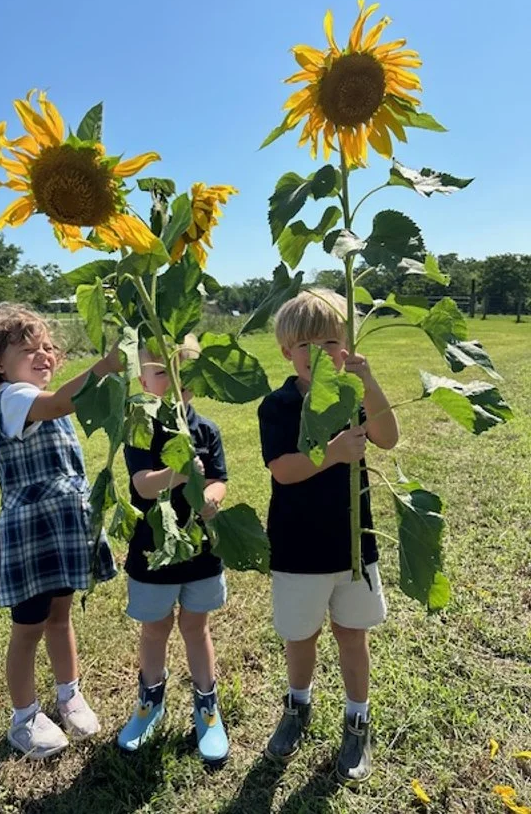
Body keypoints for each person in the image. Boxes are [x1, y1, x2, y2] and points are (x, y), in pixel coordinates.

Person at [258, 289, 399, 783]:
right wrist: (332, 453)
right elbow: (282, 470)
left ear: (349, 345)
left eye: (332, 341)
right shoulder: (276, 406)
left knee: (352, 633)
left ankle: (357, 717)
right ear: (285, 352)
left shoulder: (351, 394)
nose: (320, 353)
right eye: (306, 345)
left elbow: (388, 437)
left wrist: (368, 378)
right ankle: (298, 706)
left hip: (353, 542)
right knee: (301, 635)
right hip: (297, 547)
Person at [0, 303, 119, 759]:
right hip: (32, 532)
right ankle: (24, 717)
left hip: (62, 525)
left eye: (49, 347)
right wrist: (107, 365)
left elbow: (65, 402)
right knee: (28, 627)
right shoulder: (15, 397)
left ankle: (69, 694)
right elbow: (57, 403)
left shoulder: (40, 397)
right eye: (29, 349)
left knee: (60, 616)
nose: (44, 355)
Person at [117, 335, 230, 765]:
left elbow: (220, 478)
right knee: (155, 628)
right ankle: (150, 702)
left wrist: (212, 496)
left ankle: (207, 706)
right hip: (153, 550)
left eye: (182, 372)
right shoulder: (140, 427)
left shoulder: (207, 430)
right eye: (161, 371)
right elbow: (142, 484)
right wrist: (178, 475)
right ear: (143, 377)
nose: (173, 381)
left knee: (196, 627)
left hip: (200, 548)